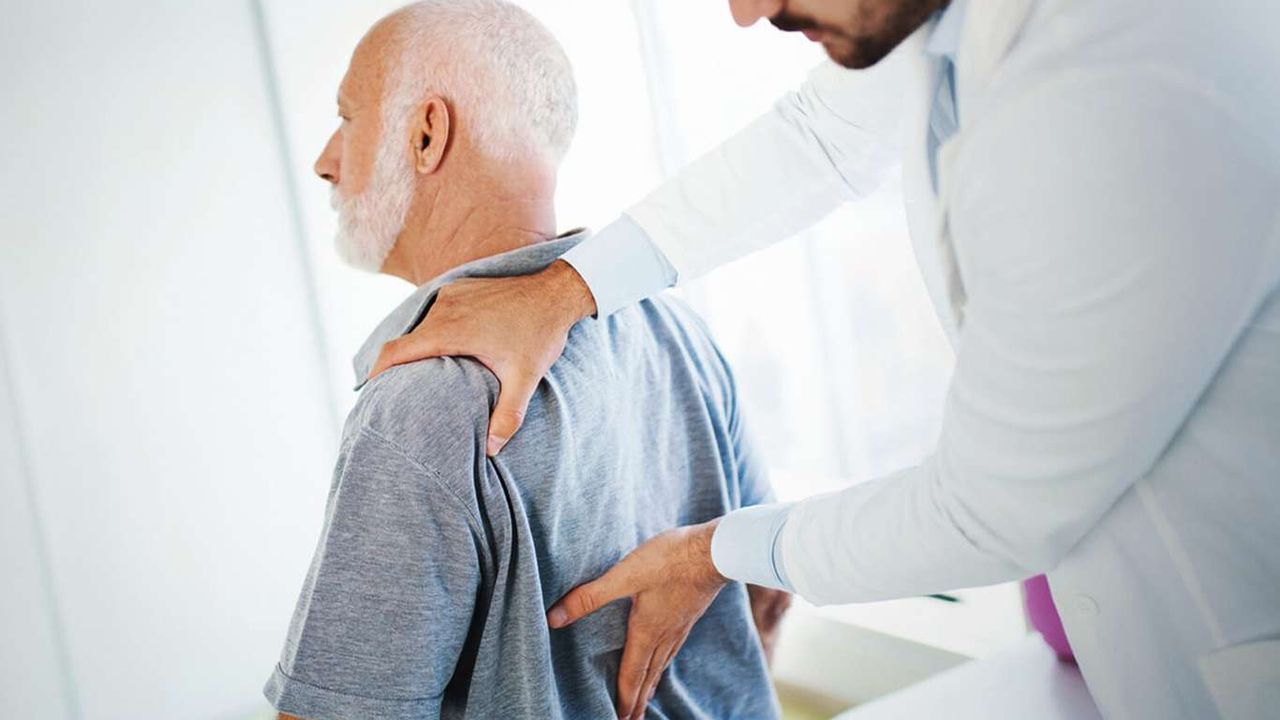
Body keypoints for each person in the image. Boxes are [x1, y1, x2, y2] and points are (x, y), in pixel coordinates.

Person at [371, 0, 1280, 718]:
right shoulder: (954, 30)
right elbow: (820, 135)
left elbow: (989, 510)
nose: (746, 12)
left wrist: (719, 552)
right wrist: (567, 287)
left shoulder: (1121, 73)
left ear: (427, 133)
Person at [264, 2, 789, 719]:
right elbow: (767, 592)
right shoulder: (676, 328)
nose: (326, 161)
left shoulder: (422, 403)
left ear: (426, 135)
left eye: (347, 119)